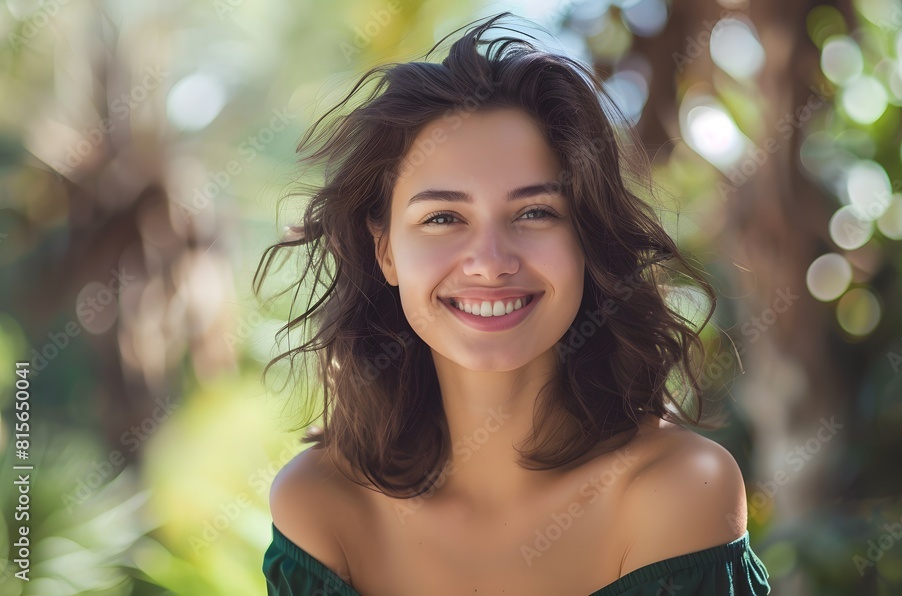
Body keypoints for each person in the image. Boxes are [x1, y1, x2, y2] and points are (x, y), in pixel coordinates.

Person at [255, 11, 770, 595]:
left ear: (585, 239)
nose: (491, 261)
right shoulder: (321, 508)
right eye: (443, 217)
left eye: (534, 213)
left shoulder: (679, 490)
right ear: (386, 251)